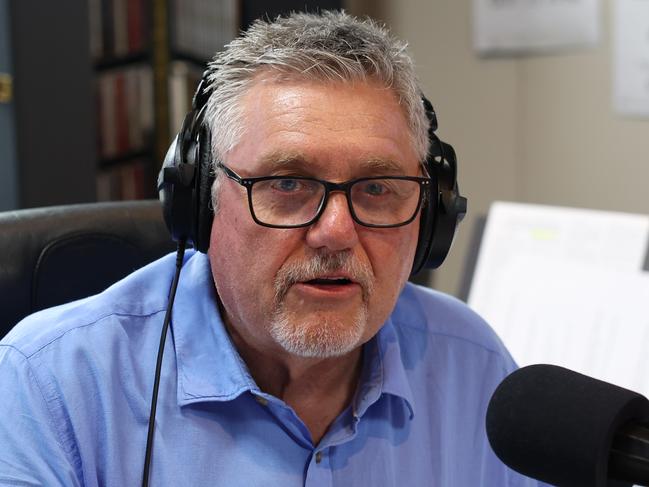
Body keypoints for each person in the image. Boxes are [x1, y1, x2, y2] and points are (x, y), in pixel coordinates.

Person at [0, 11, 542, 486]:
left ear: (434, 214)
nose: (335, 231)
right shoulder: (51, 387)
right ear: (202, 204)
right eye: (287, 184)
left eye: (377, 189)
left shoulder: (472, 365)